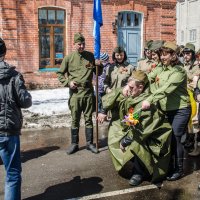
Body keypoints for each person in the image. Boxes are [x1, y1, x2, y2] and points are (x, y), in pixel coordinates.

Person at [98, 71, 172, 186]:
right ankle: (139, 163)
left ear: (141, 87)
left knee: (136, 143)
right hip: (137, 128)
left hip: (154, 137)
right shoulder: (135, 92)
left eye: (131, 87)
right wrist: (103, 110)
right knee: (115, 132)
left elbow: (141, 130)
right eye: (128, 86)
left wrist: (125, 141)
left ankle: (139, 172)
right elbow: (117, 94)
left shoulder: (146, 103)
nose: (128, 89)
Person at [142, 41, 191, 181]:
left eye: (165, 55)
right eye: (161, 55)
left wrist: (149, 100)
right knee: (167, 138)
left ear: (173, 55)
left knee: (176, 137)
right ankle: (168, 165)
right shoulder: (161, 68)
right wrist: (132, 83)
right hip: (165, 109)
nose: (162, 57)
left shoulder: (179, 71)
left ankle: (179, 169)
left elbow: (166, 89)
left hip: (180, 109)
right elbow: (147, 77)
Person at [57, 33, 102, 154]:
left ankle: (89, 143)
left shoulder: (91, 56)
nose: (81, 46)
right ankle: (74, 144)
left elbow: (98, 73)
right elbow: (60, 74)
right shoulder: (69, 58)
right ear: (74, 44)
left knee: (88, 119)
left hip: (88, 93)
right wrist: (68, 82)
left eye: (83, 44)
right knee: (75, 119)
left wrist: (99, 65)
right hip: (75, 94)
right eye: (79, 44)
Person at [0, 38, 32, 200]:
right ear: (4, 53)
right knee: (12, 173)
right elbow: (25, 101)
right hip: (7, 130)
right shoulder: (13, 76)